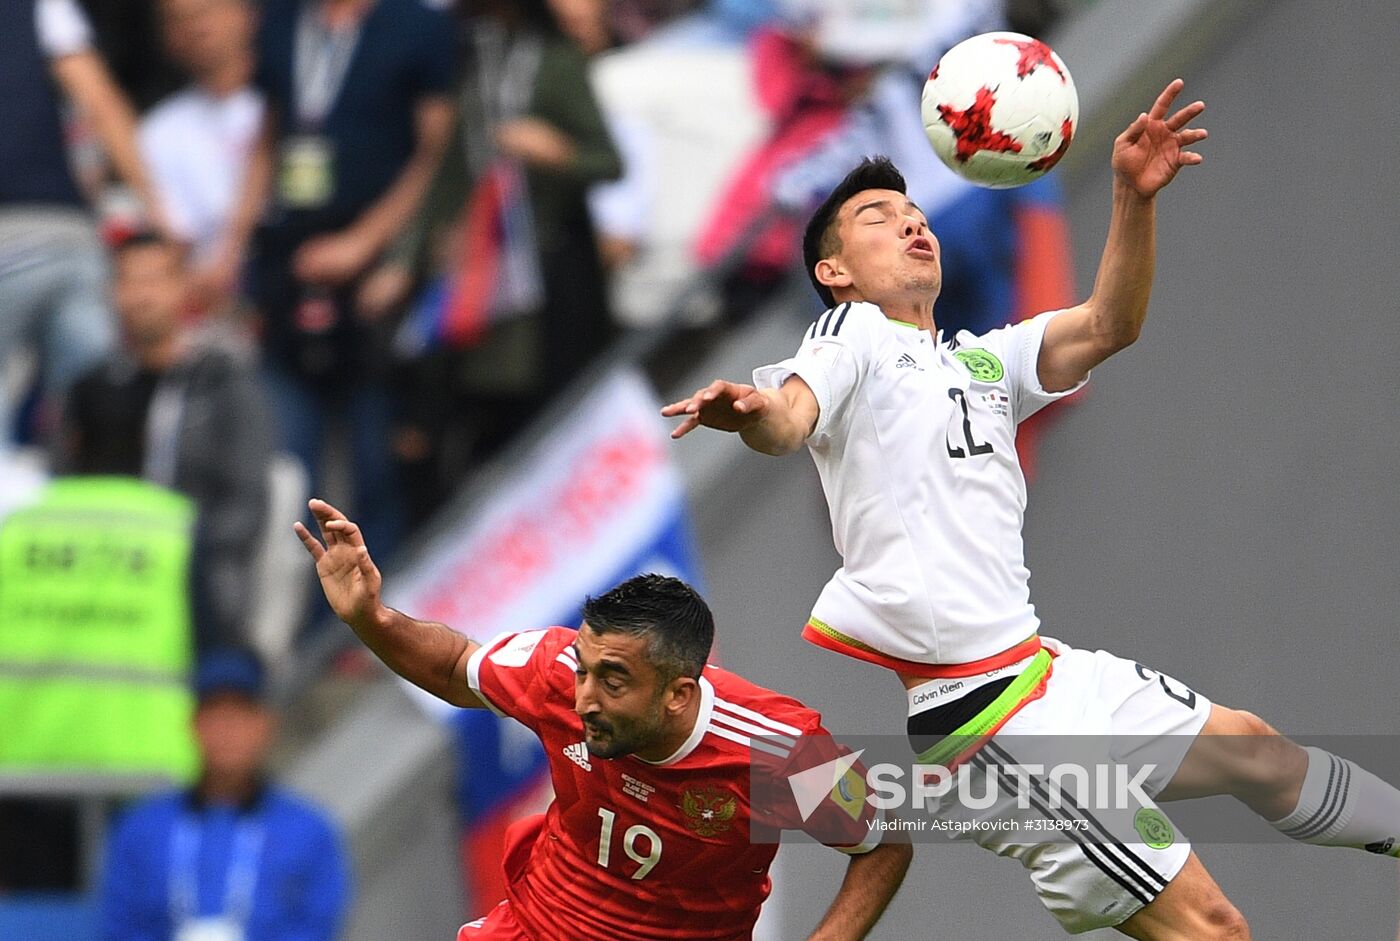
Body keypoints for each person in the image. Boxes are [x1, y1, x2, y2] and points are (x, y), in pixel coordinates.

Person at [663, 80, 1400, 938]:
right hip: (995, 723)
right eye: (876, 216)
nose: (911, 222)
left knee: (1259, 753)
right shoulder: (851, 336)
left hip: (1046, 675)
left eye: (913, 209)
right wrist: (751, 413)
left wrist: (1132, 197)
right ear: (835, 274)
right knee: (1212, 927)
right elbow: (790, 418)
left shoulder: (981, 361)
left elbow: (1107, 326)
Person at [294, 498, 912, 941]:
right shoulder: (556, 673)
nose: (584, 696)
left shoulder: (776, 752)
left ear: (677, 694)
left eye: (612, 679)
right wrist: (371, 620)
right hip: (537, 926)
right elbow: (458, 668)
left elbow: (884, 843)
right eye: (585, 668)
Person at [214, 0, 458, 559]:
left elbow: (435, 155)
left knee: (379, 468)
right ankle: (302, 630)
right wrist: (231, 250)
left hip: (379, 276)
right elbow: (269, 141)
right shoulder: (282, 23)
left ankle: (389, 625)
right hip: (291, 271)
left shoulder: (417, 26)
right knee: (290, 474)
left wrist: (368, 243)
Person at [58, 233, 274, 654]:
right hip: (104, 588)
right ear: (111, 293)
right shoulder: (90, 389)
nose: (141, 296)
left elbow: (248, 502)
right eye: (129, 282)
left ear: (182, 288)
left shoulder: (225, 381)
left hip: (198, 587)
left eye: (155, 281)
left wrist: (174, 548)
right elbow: (62, 489)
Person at [0, 0, 167, 445]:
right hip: (66, 239)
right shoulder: (39, 7)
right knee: (96, 404)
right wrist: (160, 211)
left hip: (37, 235)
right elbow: (98, 101)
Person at [99, 648, 352, 941]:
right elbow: (119, 925)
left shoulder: (310, 831)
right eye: (215, 716)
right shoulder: (141, 828)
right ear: (193, 725)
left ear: (264, 726)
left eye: (239, 716)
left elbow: (317, 926)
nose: (227, 732)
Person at [140, 0, 264, 285]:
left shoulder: (295, 107)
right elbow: (175, 239)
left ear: (249, 14)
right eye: (179, 19)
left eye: (206, 11)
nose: (197, 27)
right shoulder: (158, 130)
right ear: (166, 37)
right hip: (206, 291)